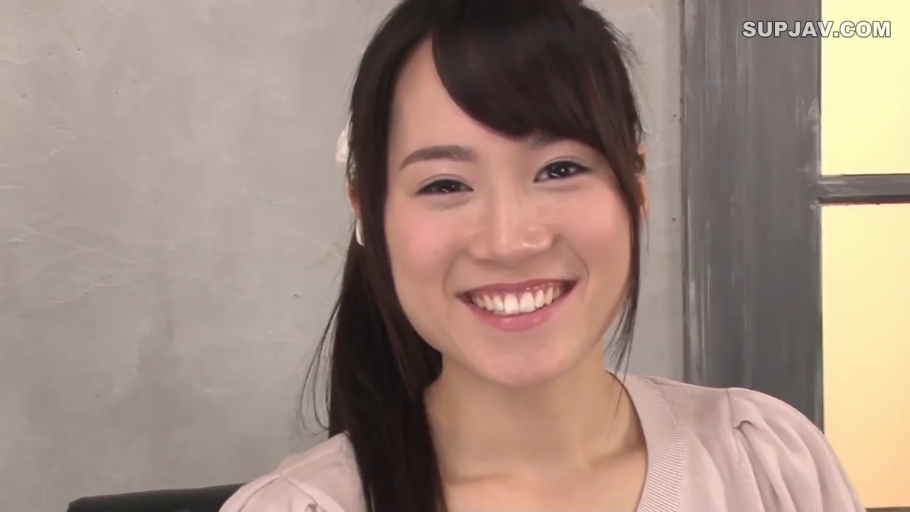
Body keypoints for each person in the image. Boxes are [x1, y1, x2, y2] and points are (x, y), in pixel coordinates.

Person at [220, 0, 865, 511]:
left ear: (635, 185)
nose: (510, 240)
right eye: (445, 184)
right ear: (367, 210)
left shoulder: (765, 467)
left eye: (559, 169)